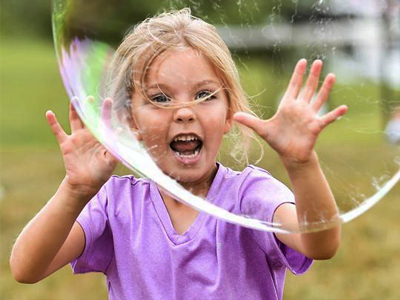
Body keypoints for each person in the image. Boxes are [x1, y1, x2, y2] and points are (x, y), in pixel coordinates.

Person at [10, 8, 348, 300]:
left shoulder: (249, 195)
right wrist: (75, 191)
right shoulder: (116, 203)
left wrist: (301, 165)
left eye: (204, 95)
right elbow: (26, 267)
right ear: (131, 122)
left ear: (229, 113)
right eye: (160, 98)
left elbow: (321, 244)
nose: (185, 112)